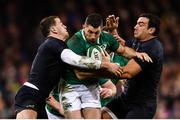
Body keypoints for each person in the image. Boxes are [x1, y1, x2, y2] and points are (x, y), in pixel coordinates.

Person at [14, 15, 122, 119]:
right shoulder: (52, 44)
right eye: (61, 24)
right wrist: (106, 64)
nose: (65, 26)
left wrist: (109, 34)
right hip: (31, 94)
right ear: (53, 29)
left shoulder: (59, 46)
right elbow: (76, 59)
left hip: (42, 98)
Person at [61, 13, 152, 119]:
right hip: (72, 87)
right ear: (84, 27)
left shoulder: (106, 38)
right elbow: (80, 74)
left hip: (92, 87)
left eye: (97, 33)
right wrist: (106, 66)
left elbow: (123, 50)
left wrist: (137, 53)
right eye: (90, 32)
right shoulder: (75, 42)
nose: (93, 36)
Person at [102, 13, 164, 119]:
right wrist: (112, 30)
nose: (135, 27)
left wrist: (100, 68)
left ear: (151, 30)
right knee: (100, 116)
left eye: (141, 24)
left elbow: (127, 73)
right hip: (126, 99)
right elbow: (121, 48)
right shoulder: (137, 42)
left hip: (141, 105)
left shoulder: (153, 47)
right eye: (136, 24)